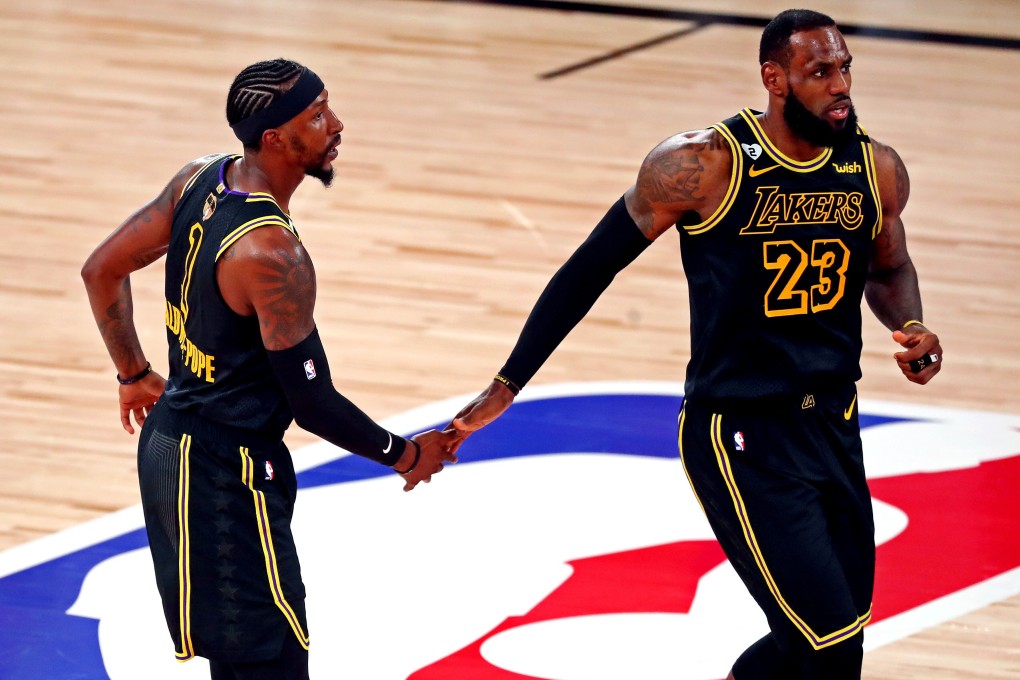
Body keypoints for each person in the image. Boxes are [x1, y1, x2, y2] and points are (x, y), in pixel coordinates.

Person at [448, 9, 942, 680]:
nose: (840, 86)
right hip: (741, 431)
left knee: (832, 631)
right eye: (820, 72)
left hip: (832, 420)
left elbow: (888, 268)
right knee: (829, 644)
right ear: (775, 79)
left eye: (845, 68)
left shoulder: (873, 167)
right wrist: (508, 383)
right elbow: (589, 268)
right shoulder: (704, 164)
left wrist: (911, 326)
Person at [82, 58, 458, 679]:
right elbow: (313, 402)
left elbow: (101, 269)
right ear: (277, 139)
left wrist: (133, 373)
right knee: (271, 664)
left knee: (246, 663)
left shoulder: (198, 179)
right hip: (225, 473)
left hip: (174, 447)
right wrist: (405, 455)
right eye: (318, 115)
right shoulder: (272, 254)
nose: (336, 125)